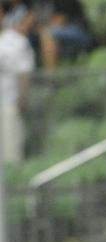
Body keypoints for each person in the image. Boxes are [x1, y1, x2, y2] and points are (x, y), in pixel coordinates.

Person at [0, 2, 34, 165]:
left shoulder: (16, 41)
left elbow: (23, 74)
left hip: (9, 103)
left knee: (10, 155)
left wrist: (23, 98)